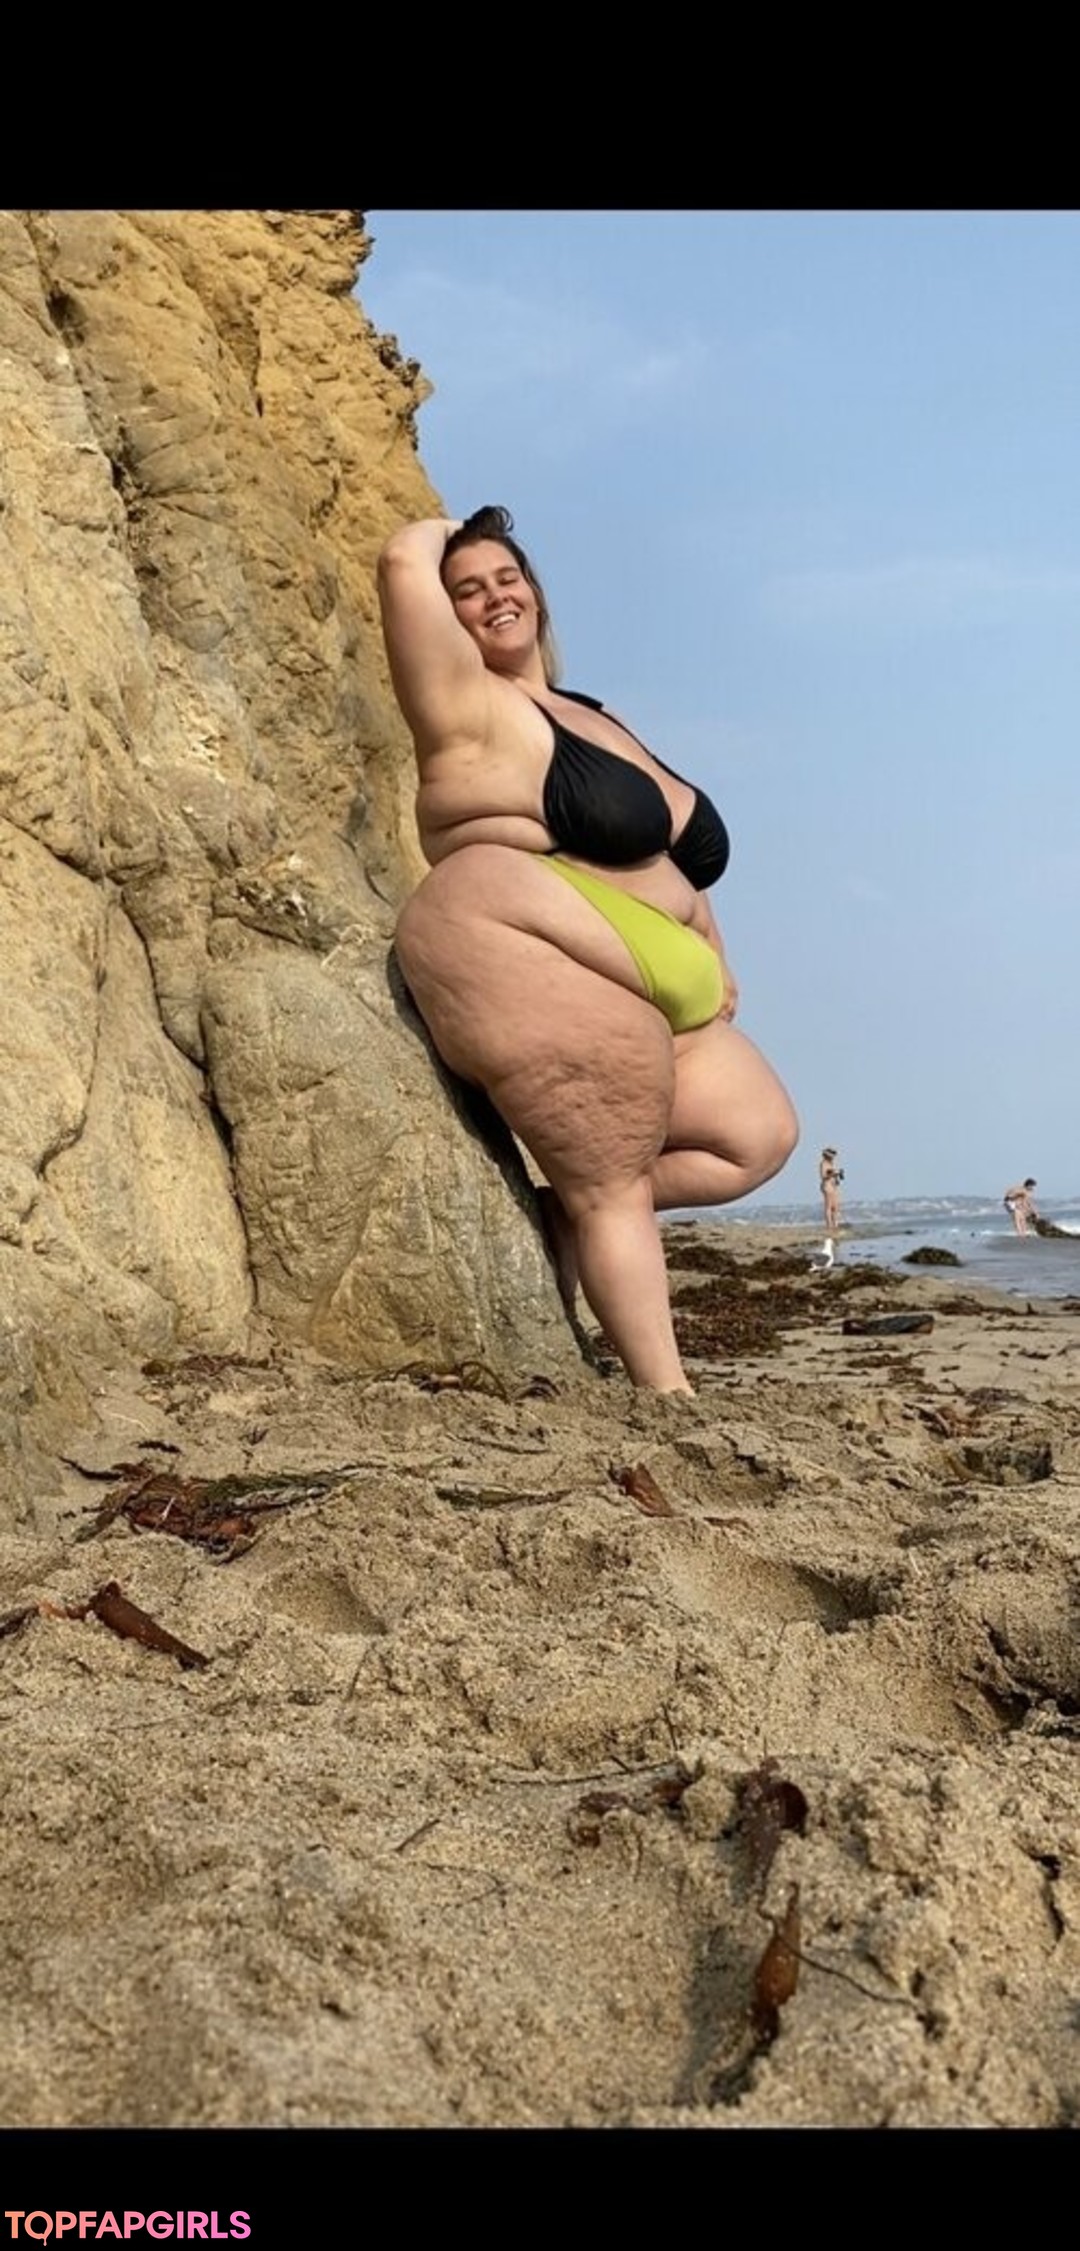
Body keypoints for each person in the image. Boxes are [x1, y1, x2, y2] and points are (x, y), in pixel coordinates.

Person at [377, 504, 799, 1392]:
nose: (494, 596)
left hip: (657, 974)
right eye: (468, 589)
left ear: (536, 590)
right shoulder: (467, 709)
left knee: (758, 1136)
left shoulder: (588, 710)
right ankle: (665, 1391)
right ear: (448, 616)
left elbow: (672, 854)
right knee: (611, 1184)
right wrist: (456, 527)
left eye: (507, 577)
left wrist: (709, 943)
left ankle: (563, 1214)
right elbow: (402, 562)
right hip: (549, 946)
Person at [819, 1147, 843, 1236]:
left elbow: (834, 1175)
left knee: (835, 1207)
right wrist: (833, 1174)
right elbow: (823, 1176)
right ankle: (829, 1227)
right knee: (828, 1207)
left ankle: (835, 1226)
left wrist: (837, 1176)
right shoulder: (823, 1164)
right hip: (827, 1185)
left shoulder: (831, 1163)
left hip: (834, 1185)